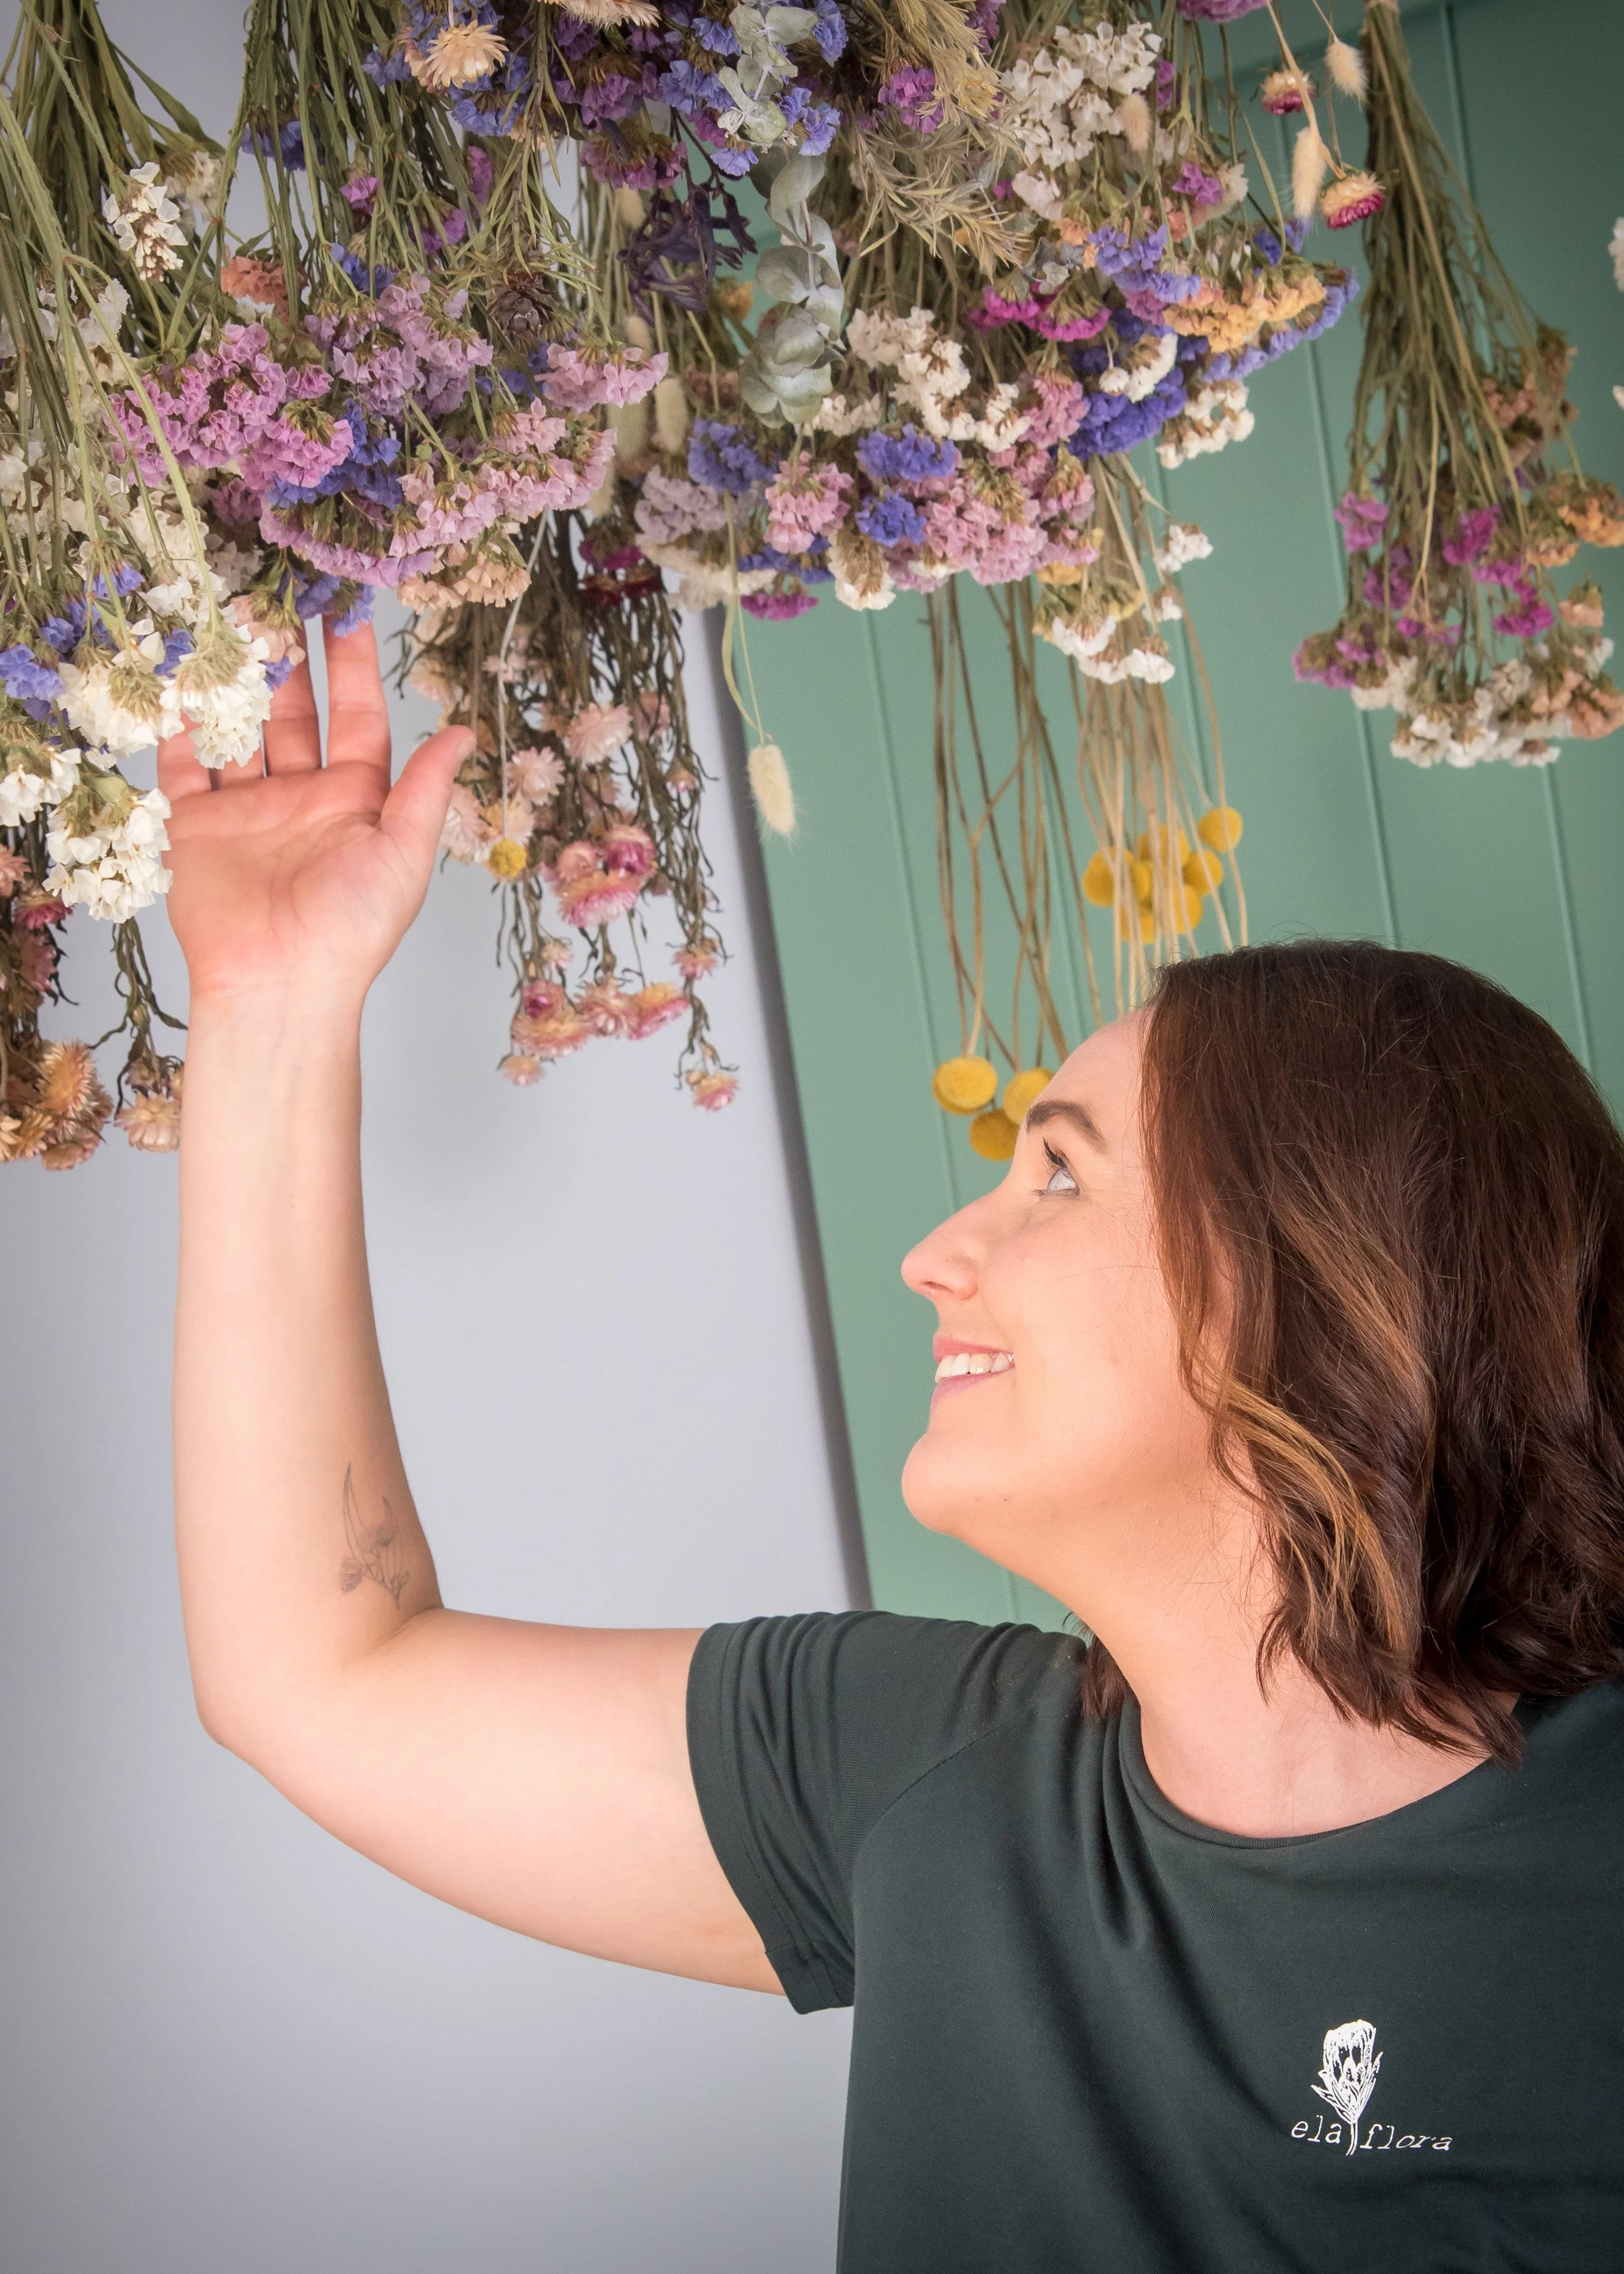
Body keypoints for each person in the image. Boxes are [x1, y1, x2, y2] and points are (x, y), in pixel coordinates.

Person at [164, 625, 1624, 2272]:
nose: (938, 1252)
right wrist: (270, 1011)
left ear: (1330, 1286)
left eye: (1056, 1176)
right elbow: (318, 1668)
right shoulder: (927, 1775)